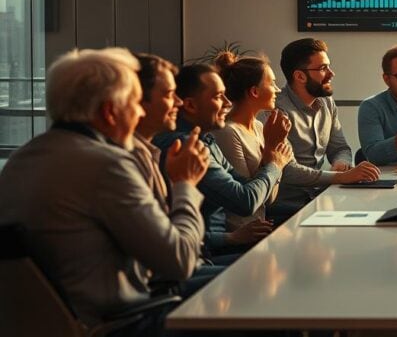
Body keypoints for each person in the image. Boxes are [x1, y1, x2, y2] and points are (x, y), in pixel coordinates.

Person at [0, 48, 208, 329]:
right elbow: (180, 260)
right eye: (135, 103)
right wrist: (184, 184)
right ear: (110, 112)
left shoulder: (19, 160)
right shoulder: (107, 165)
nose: (138, 113)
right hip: (119, 324)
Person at [154, 63, 289, 258]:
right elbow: (245, 202)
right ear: (190, 105)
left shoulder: (205, 138)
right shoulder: (186, 145)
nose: (227, 103)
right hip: (202, 254)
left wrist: (271, 160)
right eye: (218, 97)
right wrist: (274, 164)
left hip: (210, 245)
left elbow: (247, 189)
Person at [275, 38, 381, 213]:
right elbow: (287, 170)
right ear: (300, 76)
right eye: (323, 68)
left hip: (323, 199)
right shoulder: (277, 109)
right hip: (287, 208)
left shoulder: (326, 103)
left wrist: (341, 163)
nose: (331, 73)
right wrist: (340, 177)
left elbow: (340, 148)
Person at [210, 53, 293, 230]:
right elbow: (245, 201)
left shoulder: (258, 126)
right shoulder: (228, 132)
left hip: (259, 228)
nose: (278, 90)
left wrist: (274, 153)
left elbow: (269, 198)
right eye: (271, 83)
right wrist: (273, 156)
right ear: (254, 91)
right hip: (238, 232)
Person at [132, 52, 181, 213]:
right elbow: (167, 238)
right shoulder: (126, 161)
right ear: (137, 99)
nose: (179, 102)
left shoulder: (148, 152)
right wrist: (185, 184)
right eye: (168, 94)